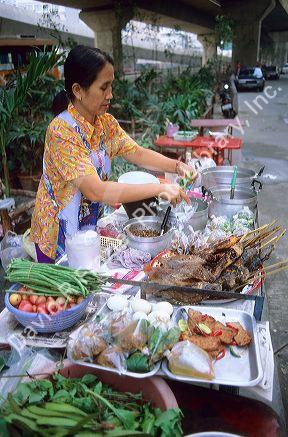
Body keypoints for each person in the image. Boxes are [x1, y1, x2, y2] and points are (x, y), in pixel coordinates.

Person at [30, 45, 196, 263]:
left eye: (111, 86)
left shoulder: (104, 122)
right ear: (78, 90)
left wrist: (176, 166)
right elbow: (96, 191)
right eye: (103, 87)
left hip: (88, 227)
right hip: (57, 233)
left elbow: (136, 152)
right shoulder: (61, 132)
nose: (110, 95)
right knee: (68, 293)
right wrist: (159, 188)